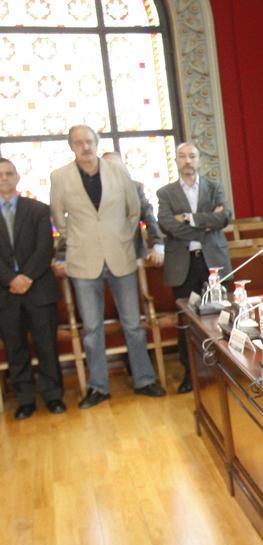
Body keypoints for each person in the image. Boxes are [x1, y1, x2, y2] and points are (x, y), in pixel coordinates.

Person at [50, 125, 166, 407]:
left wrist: (122, 237)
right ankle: (98, 387)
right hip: (83, 260)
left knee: (133, 324)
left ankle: (144, 380)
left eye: (89, 141)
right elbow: (58, 217)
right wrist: (77, 240)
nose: (85, 147)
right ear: (71, 146)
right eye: (79, 143)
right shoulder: (59, 177)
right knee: (91, 329)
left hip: (121, 256)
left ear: (97, 142)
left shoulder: (118, 171)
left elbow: (133, 209)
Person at [156, 142, 233, 394]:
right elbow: (167, 225)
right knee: (187, 321)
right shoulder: (165, 193)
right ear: (176, 161)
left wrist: (189, 218)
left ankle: (228, 370)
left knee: (221, 318)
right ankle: (192, 373)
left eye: (192, 156)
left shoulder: (214, 187)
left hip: (213, 261)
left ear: (200, 160)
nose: (187, 161)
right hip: (184, 266)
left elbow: (224, 218)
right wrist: (206, 222)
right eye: (182, 156)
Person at [0, 158, 65, 419]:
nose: (4, 178)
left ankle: (53, 396)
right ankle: (25, 400)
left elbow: (45, 249)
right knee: (16, 348)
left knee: (46, 345)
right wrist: (10, 280)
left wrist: (26, 277)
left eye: (8, 173)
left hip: (39, 289)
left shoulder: (38, 209)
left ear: (17, 177)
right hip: (5, 293)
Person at [101, 151, 164, 268]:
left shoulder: (135, 188)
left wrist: (158, 244)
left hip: (133, 254)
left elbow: (148, 215)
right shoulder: (93, 191)